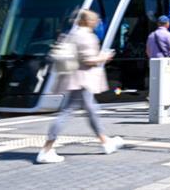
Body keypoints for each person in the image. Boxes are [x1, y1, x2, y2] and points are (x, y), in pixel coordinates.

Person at [36, 10, 123, 164]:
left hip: (75, 79)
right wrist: (104, 57)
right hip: (82, 80)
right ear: (89, 22)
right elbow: (89, 60)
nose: (97, 23)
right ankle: (46, 149)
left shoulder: (73, 34)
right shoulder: (87, 37)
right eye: (95, 21)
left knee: (91, 110)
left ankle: (105, 142)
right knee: (67, 112)